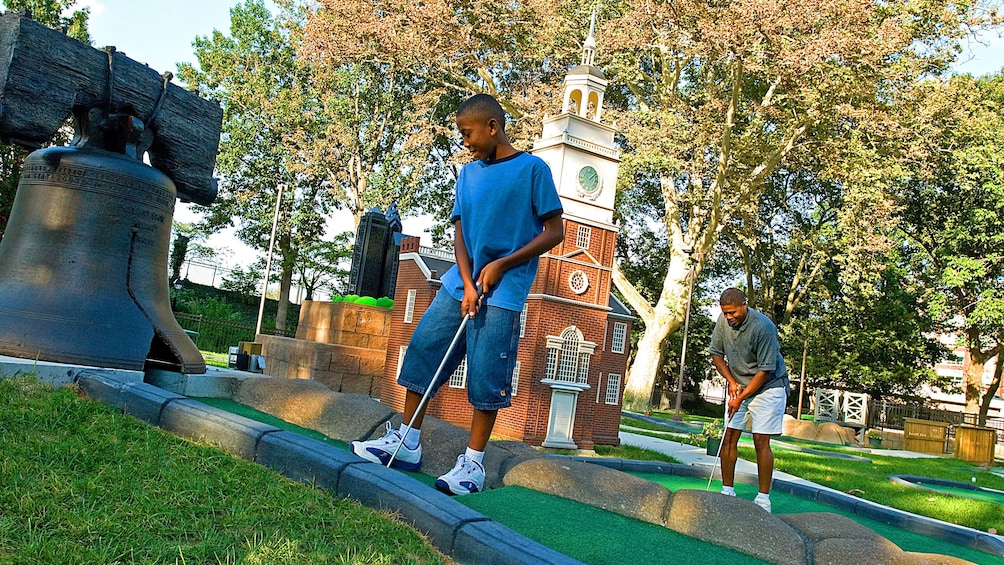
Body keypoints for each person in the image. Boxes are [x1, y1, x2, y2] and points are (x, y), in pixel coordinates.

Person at [350, 93, 564, 495]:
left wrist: (501, 264)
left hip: (504, 292)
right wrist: (466, 283)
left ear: (493, 127)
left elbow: (554, 232)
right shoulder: (467, 175)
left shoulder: (533, 169)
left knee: (486, 376)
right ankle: (407, 441)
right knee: (423, 351)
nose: (464, 141)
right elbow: (461, 234)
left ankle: (473, 465)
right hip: (457, 285)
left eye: (468, 133)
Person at [709, 288, 789, 512]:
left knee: (760, 441)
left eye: (733, 312)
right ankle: (727, 491)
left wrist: (740, 397)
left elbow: (765, 370)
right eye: (725, 313)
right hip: (740, 384)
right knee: (729, 436)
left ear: (745, 305)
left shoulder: (763, 328)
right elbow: (716, 353)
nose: (729, 317)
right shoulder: (723, 323)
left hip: (769, 387)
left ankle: (763, 498)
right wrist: (732, 383)